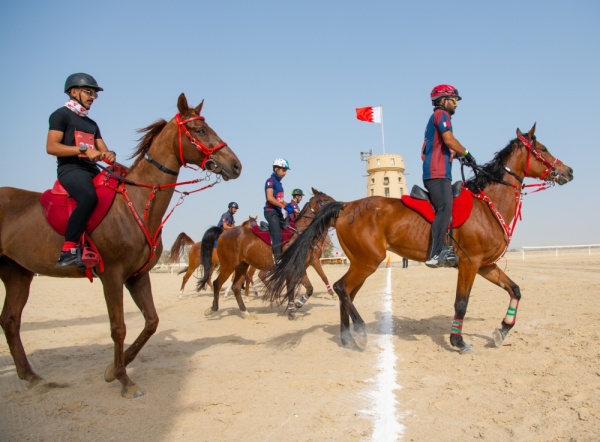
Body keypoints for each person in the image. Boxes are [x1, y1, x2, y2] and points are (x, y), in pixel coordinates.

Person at [47, 73, 117, 268]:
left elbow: (104, 151)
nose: (92, 97)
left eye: (95, 94)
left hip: (92, 170)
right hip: (71, 169)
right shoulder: (60, 115)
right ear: (73, 91)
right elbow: (51, 147)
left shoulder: (92, 124)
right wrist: (84, 150)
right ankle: (67, 249)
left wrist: (109, 155)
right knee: (88, 197)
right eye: (89, 92)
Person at [421, 84, 476, 268]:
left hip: (436, 171)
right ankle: (436, 253)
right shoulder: (441, 114)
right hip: (438, 173)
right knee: (445, 207)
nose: (456, 104)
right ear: (443, 100)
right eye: (454, 100)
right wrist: (467, 152)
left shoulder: (433, 119)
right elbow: (449, 140)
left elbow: (431, 149)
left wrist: (457, 154)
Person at [264, 158, 290, 261]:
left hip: (278, 213)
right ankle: (278, 261)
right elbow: (270, 198)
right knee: (277, 236)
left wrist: (290, 206)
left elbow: (280, 200)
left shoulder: (279, 183)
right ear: (276, 169)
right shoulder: (270, 181)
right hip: (271, 212)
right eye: (283, 170)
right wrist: (283, 206)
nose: (285, 173)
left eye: (286, 170)